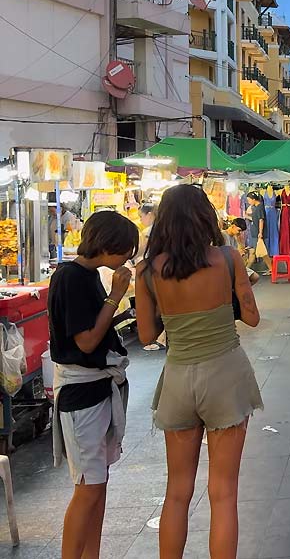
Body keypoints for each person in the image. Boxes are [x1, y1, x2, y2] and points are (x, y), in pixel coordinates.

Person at [134, 184, 262, 559]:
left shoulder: (147, 272)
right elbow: (252, 318)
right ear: (205, 217)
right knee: (223, 493)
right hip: (225, 375)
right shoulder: (228, 258)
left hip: (177, 379)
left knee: (177, 491)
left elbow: (146, 334)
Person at [48, 211, 138, 559]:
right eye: (125, 251)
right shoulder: (71, 277)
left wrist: (116, 310)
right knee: (88, 488)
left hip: (97, 386)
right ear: (107, 245)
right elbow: (85, 341)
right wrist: (116, 296)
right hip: (80, 391)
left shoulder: (84, 275)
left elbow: (93, 329)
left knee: (97, 486)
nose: (127, 259)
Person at [245, 193, 272, 276]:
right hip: (254, 232)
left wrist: (260, 233)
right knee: (253, 251)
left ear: (253, 199)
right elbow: (255, 218)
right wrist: (247, 216)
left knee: (262, 252)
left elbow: (261, 220)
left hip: (258, 233)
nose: (248, 202)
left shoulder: (260, 207)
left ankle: (271, 268)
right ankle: (246, 269)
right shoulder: (255, 207)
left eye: (249, 200)